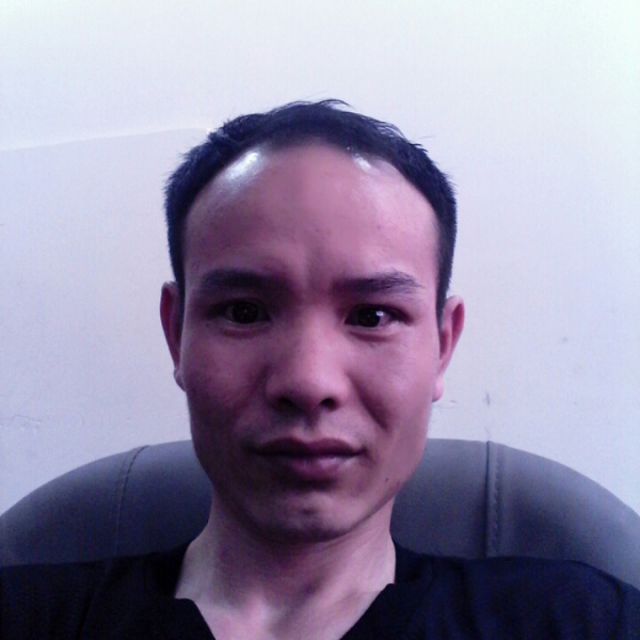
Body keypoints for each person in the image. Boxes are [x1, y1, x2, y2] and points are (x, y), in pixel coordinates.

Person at [1, 100, 639, 638]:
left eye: (373, 316)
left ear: (443, 345)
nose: (309, 383)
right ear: (176, 333)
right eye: (244, 311)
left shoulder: (581, 621)